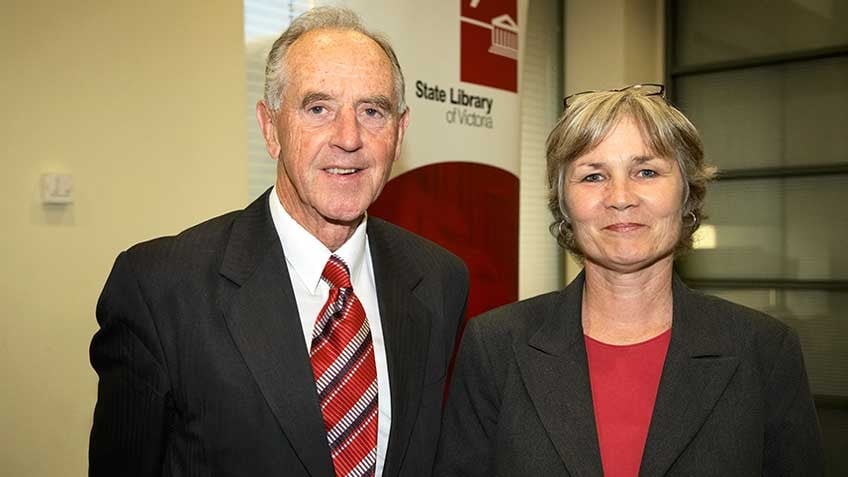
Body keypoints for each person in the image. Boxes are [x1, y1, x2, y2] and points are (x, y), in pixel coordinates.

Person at [89, 7, 468, 477]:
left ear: (400, 131)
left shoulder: (440, 280)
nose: (349, 138)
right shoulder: (161, 287)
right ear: (271, 129)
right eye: (318, 108)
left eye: (372, 111)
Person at [433, 84, 823, 476]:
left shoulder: (765, 351)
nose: (620, 197)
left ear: (686, 193)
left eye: (647, 172)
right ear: (563, 202)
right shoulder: (495, 347)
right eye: (593, 176)